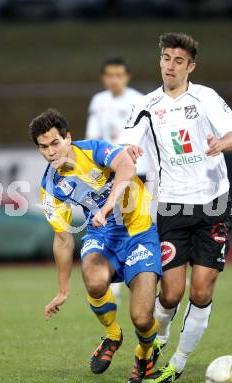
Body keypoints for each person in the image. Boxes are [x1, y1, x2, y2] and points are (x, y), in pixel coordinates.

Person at [119, 32, 232, 383]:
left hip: (213, 204)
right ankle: (155, 344)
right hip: (171, 206)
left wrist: (223, 143)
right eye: (166, 58)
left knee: (201, 290)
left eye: (178, 61)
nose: (170, 66)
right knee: (171, 292)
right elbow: (126, 144)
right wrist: (129, 152)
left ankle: (180, 361)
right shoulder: (146, 104)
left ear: (190, 67)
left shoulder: (205, 98)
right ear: (159, 61)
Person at [29, 108, 162, 383]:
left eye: (55, 143)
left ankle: (144, 352)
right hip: (102, 234)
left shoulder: (94, 150)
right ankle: (113, 335)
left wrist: (110, 204)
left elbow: (126, 165)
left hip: (140, 229)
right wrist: (62, 291)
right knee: (93, 276)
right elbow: (63, 239)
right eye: (43, 147)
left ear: (68, 139)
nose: (51, 152)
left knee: (142, 318)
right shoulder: (50, 186)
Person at [85, 57, 145, 302]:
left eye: (119, 75)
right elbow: (92, 137)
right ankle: (115, 282)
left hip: (139, 171)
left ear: (127, 76)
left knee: (142, 226)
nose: (114, 80)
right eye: (110, 75)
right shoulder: (98, 101)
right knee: (114, 225)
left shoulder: (140, 100)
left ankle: (151, 272)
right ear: (103, 78)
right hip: (110, 173)